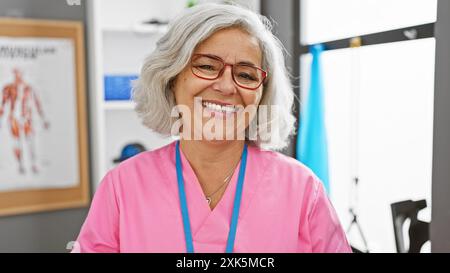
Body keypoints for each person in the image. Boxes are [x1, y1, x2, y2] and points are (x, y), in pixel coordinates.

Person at [73, 3, 351, 253]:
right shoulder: (123, 187)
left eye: (245, 74)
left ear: (261, 94)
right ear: (171, 78)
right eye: (206, 66)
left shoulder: (302, 189)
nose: (227, 86)